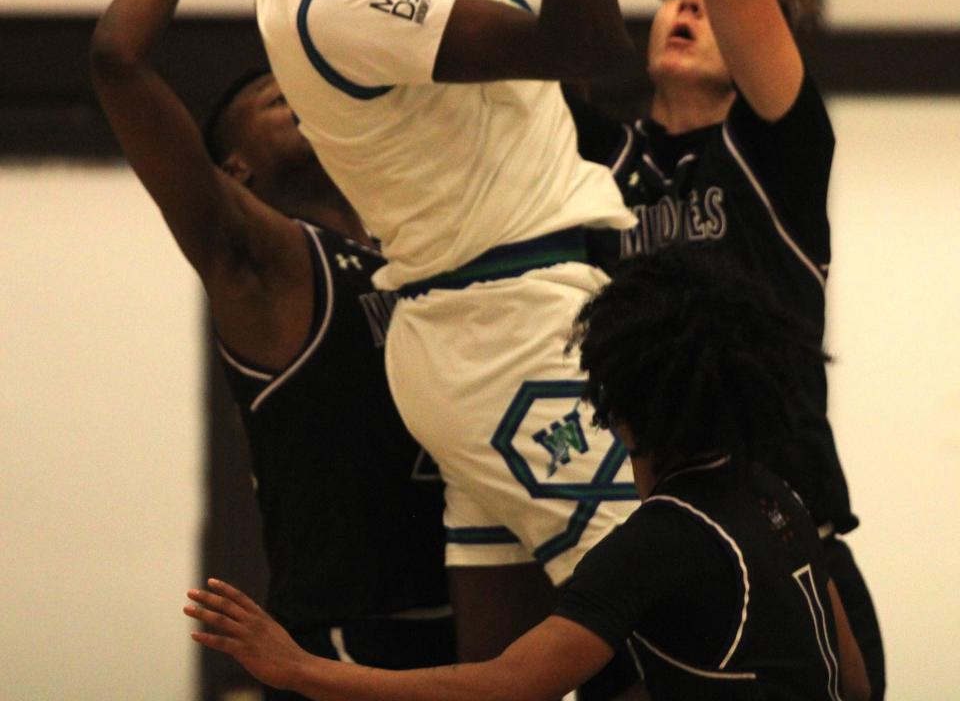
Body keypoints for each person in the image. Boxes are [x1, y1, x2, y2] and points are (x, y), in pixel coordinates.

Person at [205, 0, 650, 670]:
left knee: (501, 671)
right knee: (675, 622)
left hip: (472, 332)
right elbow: (592, 47)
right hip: (516, 334)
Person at [536, 0, 884, 697]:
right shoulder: (606, 155)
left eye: (712, 0)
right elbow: (498, 26)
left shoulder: (774, 145)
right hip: (651, 525)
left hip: (789, 525)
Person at [183, 246, 872, 701]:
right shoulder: (775, 492)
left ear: (616, 399)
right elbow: (855, 681)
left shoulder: (659, 541)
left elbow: (510, 686)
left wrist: (300, 669)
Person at [89, 0, 455, 694]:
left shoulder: (426, 240)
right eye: (268, 95)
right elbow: (117, 58)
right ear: (235, 168)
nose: (294, 91)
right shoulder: (266, 266)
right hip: (343, 647)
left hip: (476, 630)